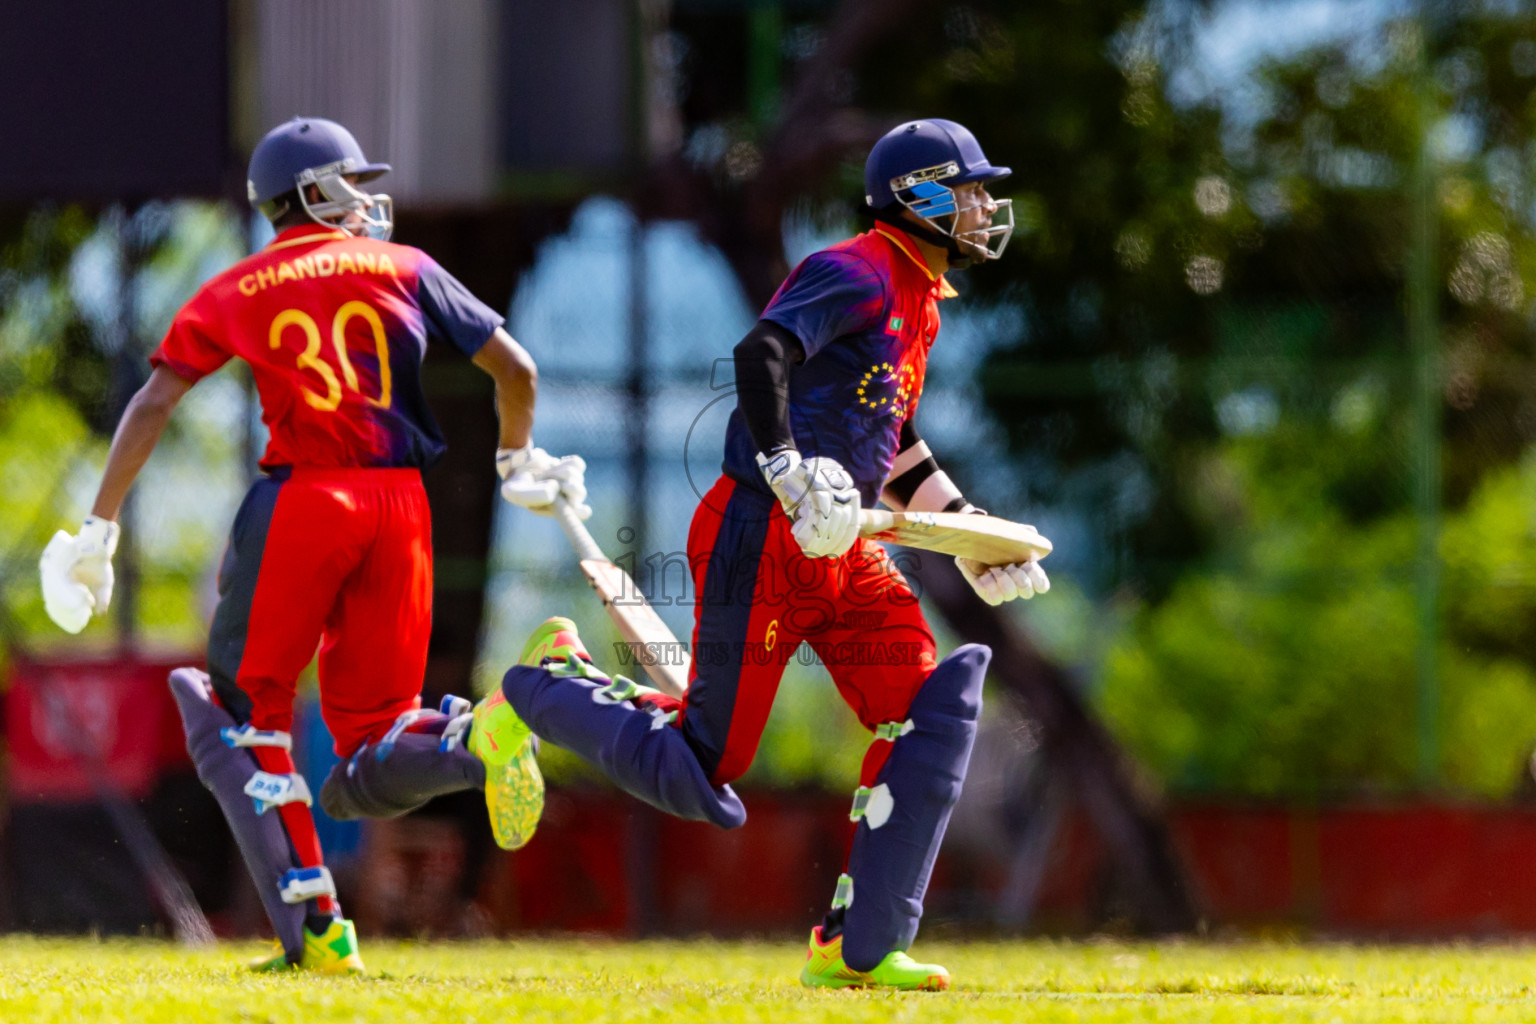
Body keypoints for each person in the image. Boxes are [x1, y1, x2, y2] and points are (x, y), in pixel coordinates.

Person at [478, 118, 1049, 990]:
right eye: (967, 190)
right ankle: (546, 684)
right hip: (760, 533)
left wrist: (966, 528)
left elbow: (888, 437)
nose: (982, 208)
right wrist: (786, 469)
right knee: (702, 765)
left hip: (841, 543)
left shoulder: (922, 298)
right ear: (918, 196)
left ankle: (859, 944)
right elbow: (764, 351)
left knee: (928, 710)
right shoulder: (855, 269)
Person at [38, 117, 584, 973]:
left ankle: (320, 932)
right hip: (404, 506)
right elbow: (518, 370)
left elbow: (152, 403)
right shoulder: (408, 267)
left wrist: (98, 526)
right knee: (371, 745)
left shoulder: (239, 286)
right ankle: (484, 736)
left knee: (240, 714)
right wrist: (518, 457)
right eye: (351, 182)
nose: (367, 199)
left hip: (309, 498)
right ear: (313, 191)